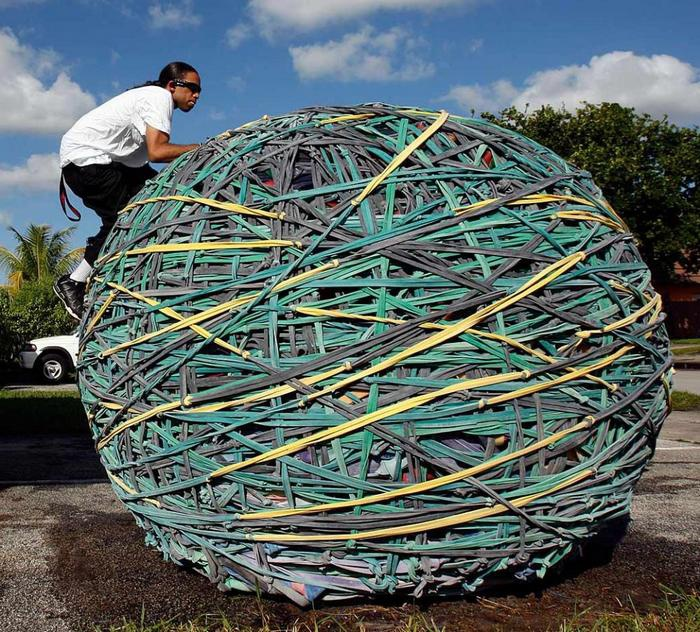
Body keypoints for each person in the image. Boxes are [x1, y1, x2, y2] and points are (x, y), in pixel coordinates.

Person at [54, 61, 202, 319]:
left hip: (105, 163)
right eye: (191, 88)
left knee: (161, 198)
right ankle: (74, 282)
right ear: (171, 85)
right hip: (87, 164)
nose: (196, 95)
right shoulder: (159, 98)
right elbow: (158, 152)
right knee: (125, 221)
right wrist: (200, 149)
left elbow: (144, 164)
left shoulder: (149, 100)